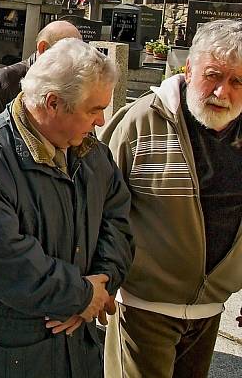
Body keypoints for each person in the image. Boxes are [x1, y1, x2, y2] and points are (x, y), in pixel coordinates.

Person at [0, 38, 133, 378]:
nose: (102, 121)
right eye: (93, 109)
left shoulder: (91, 154)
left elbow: (118, 218)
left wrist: (101, 283)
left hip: (75, 348)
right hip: (6, 355)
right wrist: (81, 294)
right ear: (53, 103)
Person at [101, 19, 242, 378]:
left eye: (238, 81)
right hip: (142, 309)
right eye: (213, 75)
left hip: (211, 308)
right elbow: (97, 208)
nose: (222, 92)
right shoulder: (139, 123)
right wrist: (96, 280)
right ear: (189, 68)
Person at [0, 20, 82, 132]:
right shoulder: (1, 84)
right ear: (43, 48)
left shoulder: (75, 85)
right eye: (69, 53)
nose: (77, 61)